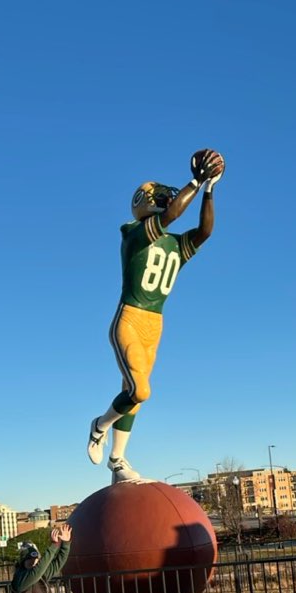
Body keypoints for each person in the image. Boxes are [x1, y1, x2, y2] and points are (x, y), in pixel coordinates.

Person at [87, 147, 225, 483]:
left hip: (155, 324)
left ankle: (118, 459)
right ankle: (99, 426)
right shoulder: (135, 234)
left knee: (134, 393)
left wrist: (210, 189)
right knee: (140, 390)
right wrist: (196, 180)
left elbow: (205, 231)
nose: (168, 198)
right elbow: (173, 215)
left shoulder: (175, 245)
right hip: (131, 319)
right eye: (161, 196)